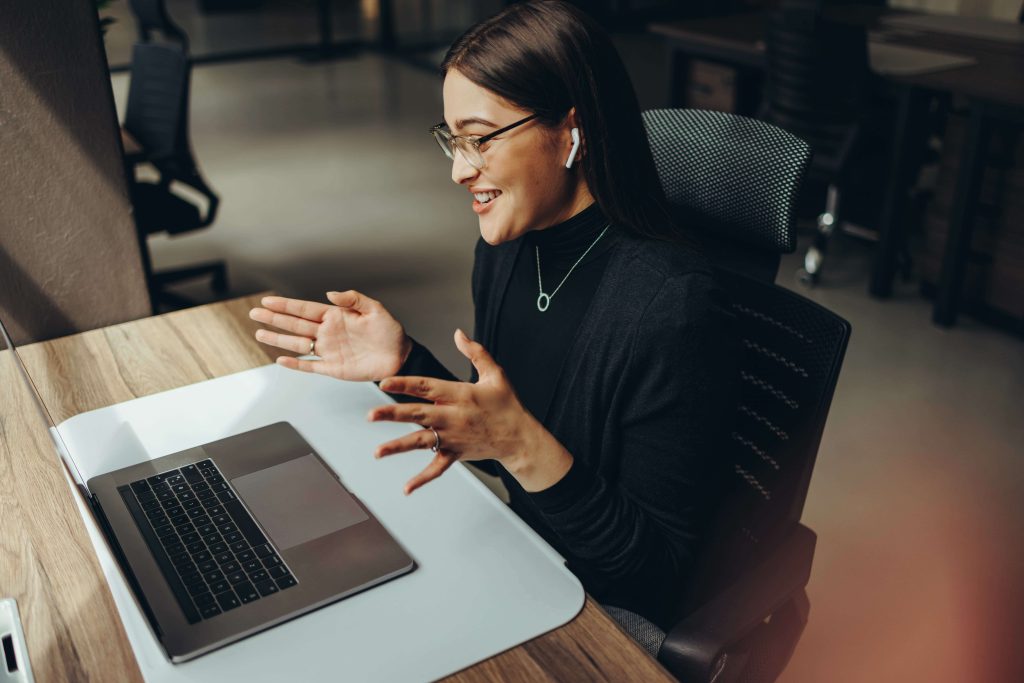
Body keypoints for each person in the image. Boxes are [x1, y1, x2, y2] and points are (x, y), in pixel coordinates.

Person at [249, 0, 736, 629]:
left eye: (479, 139)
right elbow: (501, 437)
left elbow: (657, 577)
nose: (458, 169)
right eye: (452, 140)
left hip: (596, 611)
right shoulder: (506, 253)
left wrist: (519, 445)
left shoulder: (673, 309)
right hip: (522, 554)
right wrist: (403, 363)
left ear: (572, 131)